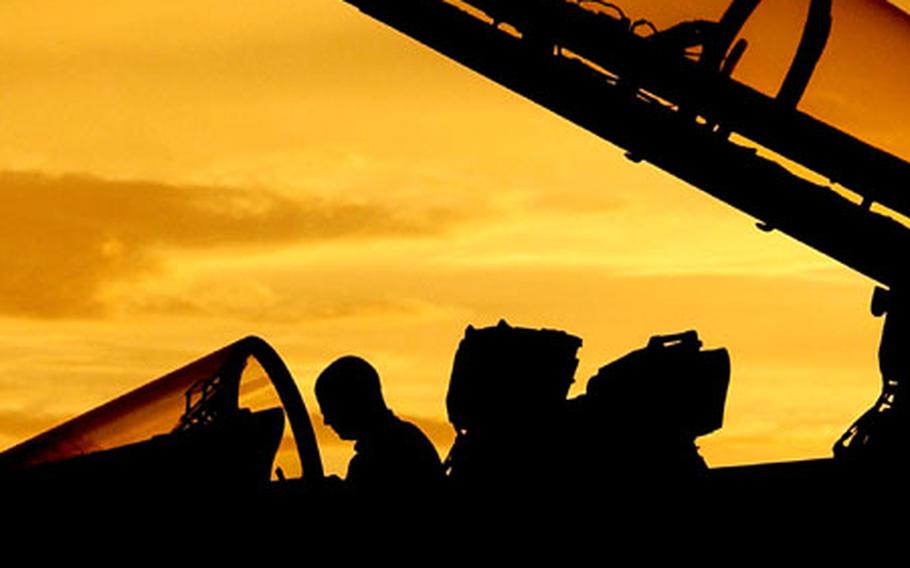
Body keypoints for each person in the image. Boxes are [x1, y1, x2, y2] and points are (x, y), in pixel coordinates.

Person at [315, 355, 445, 501]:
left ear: (352, 403)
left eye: (329, 410)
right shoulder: (409, 437)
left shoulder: (374, 461)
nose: (327, 421)